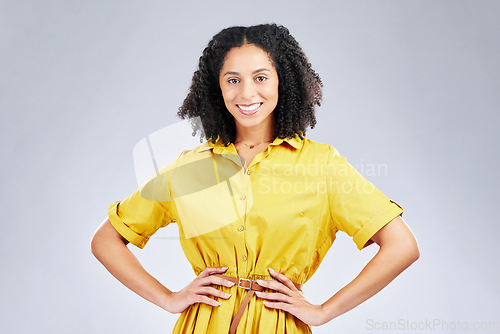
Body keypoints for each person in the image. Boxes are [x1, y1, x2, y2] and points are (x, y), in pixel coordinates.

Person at [91, 24, 420, 333]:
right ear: (216, 87)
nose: (247, 93)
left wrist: (323, 311)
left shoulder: (322, 165)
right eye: (233, 80)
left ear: (283, 81)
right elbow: (106, 240)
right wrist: (168, 299)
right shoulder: (188, 168)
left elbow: (401, 245)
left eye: (261, 77)